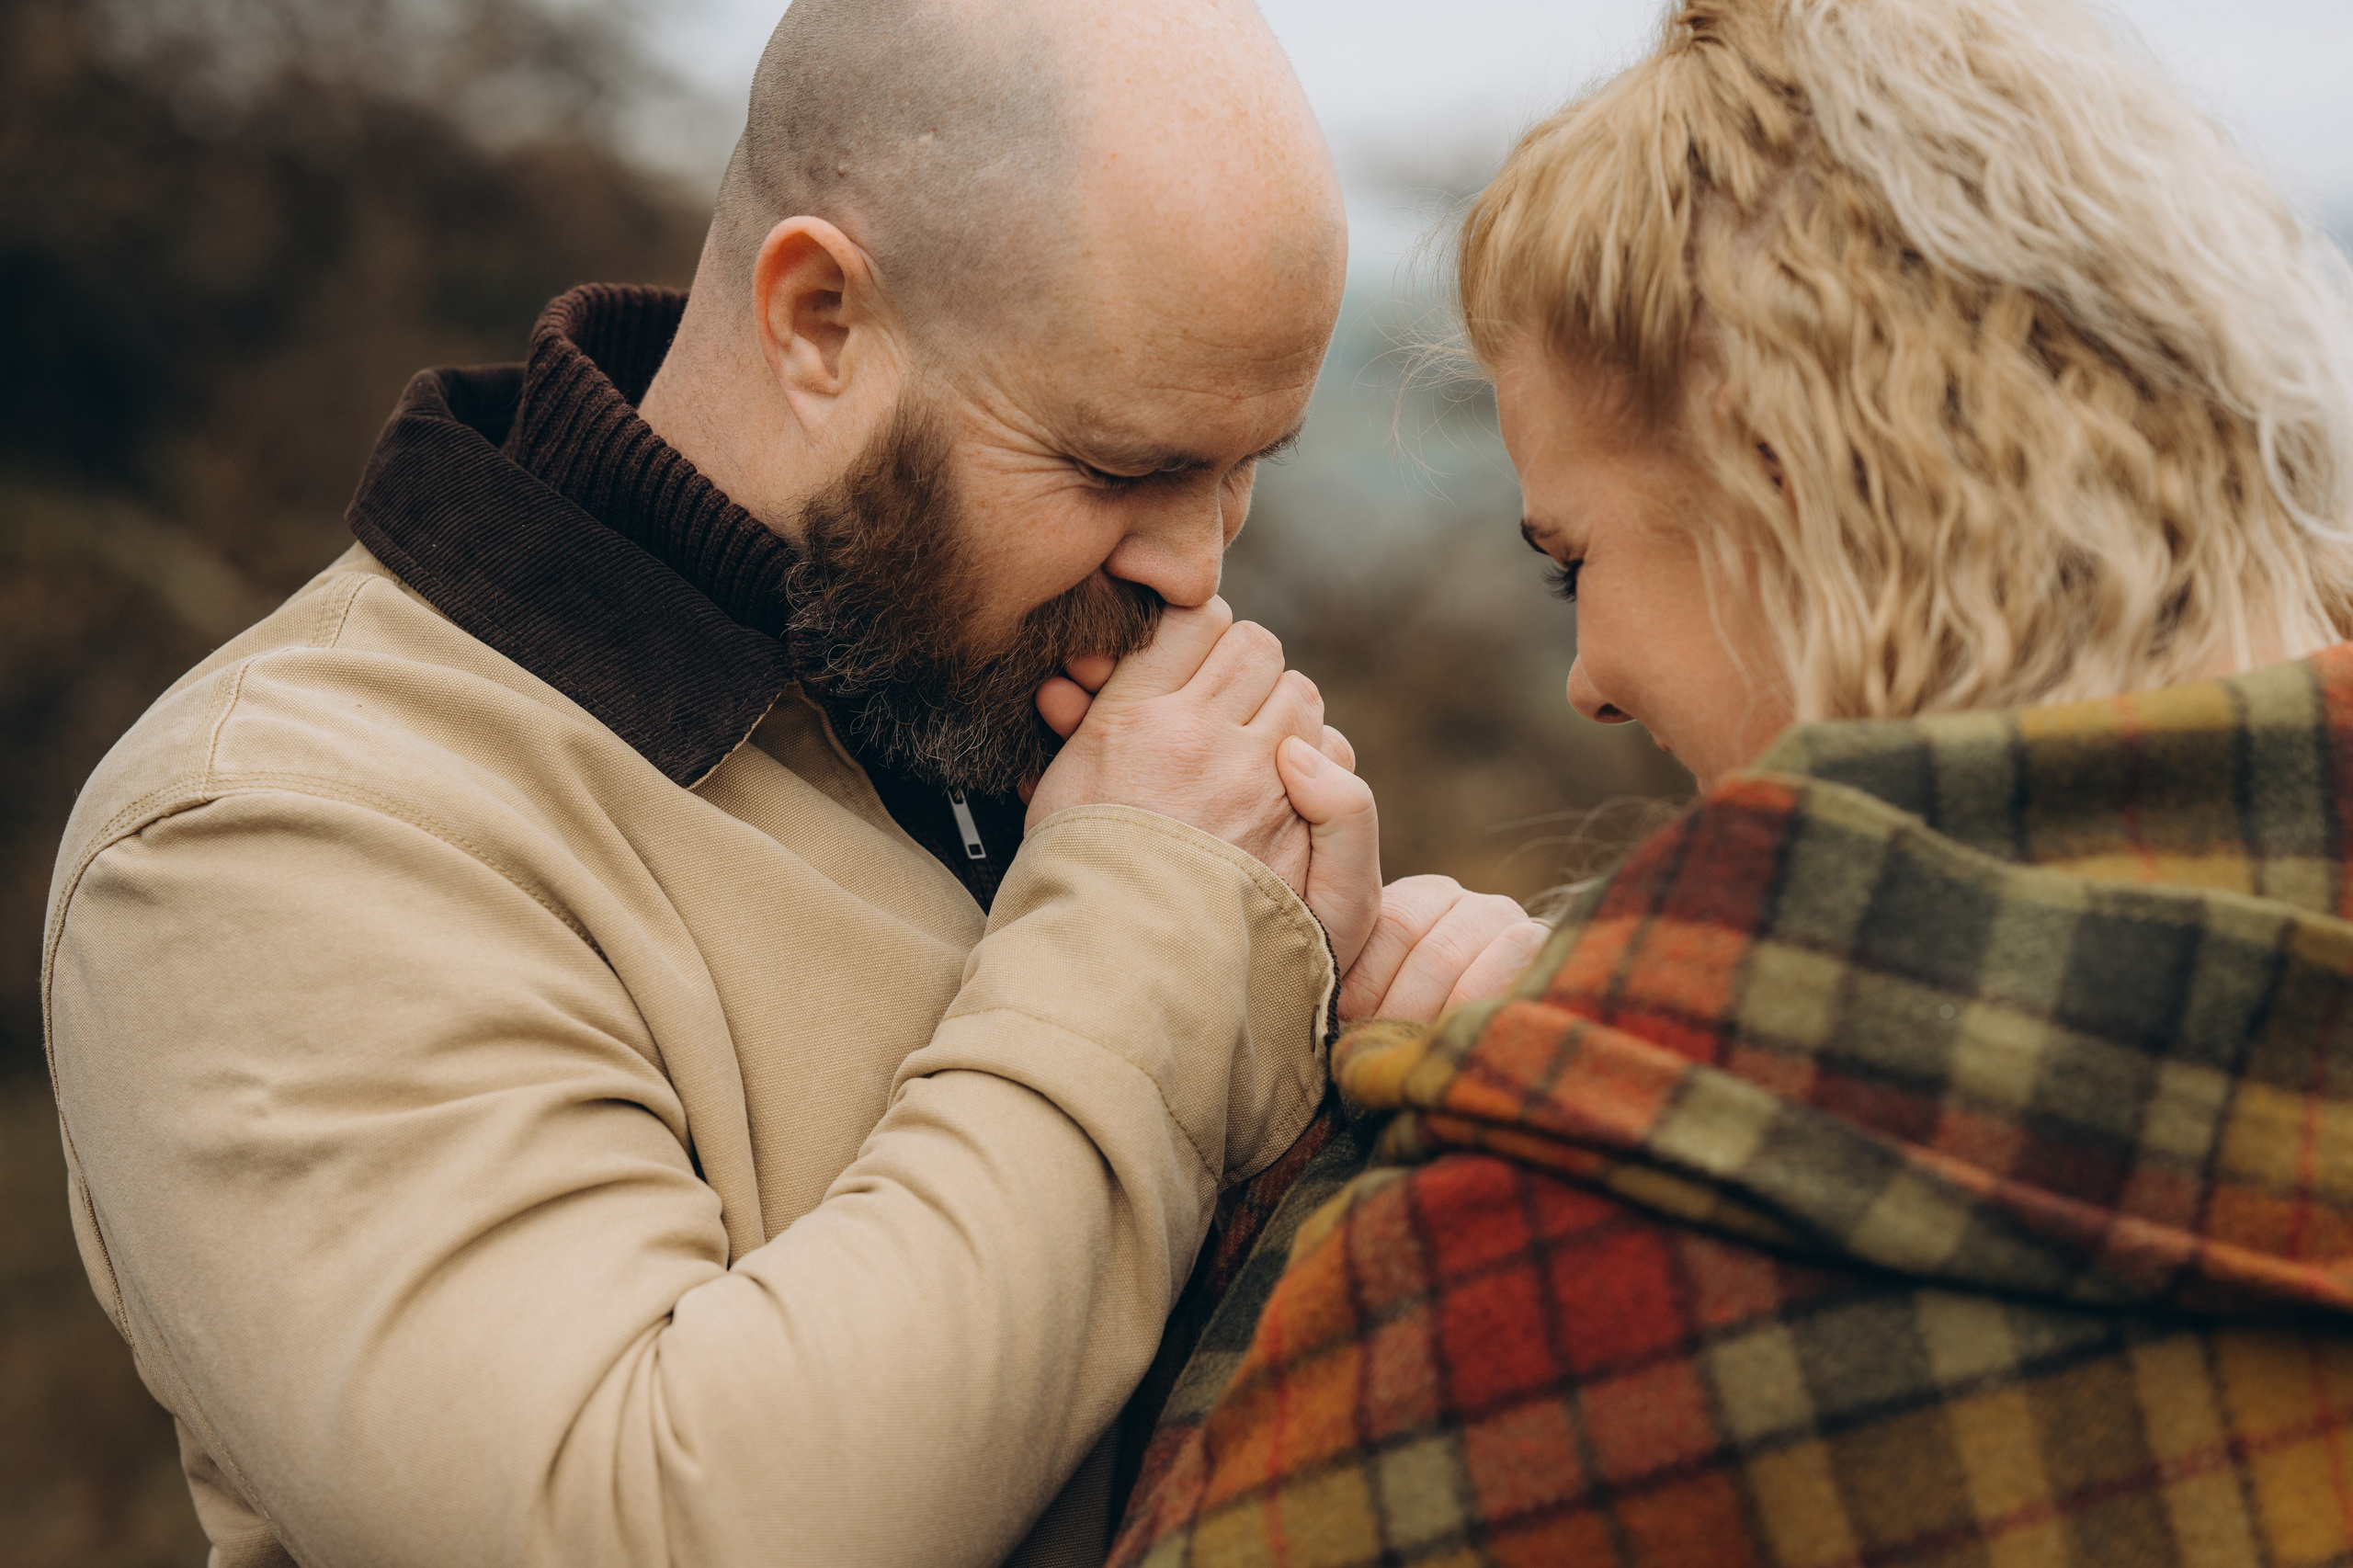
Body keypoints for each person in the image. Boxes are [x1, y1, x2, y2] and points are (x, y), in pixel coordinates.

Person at [39, 2, 1548, 1564]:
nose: (1197, 568)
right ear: (819, 315)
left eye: (1246, 468)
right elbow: (643, 1525)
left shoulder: (1002, 684)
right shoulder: (269, 827)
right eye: (1120, 467)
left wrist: (1381, 1073)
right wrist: (1158, 917)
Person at [1113, 1, 2353, 1563]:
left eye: (1575, 565)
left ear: (1793, 487)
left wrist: (1428, 1135)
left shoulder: (1543, 1271)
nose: (1590, 680)